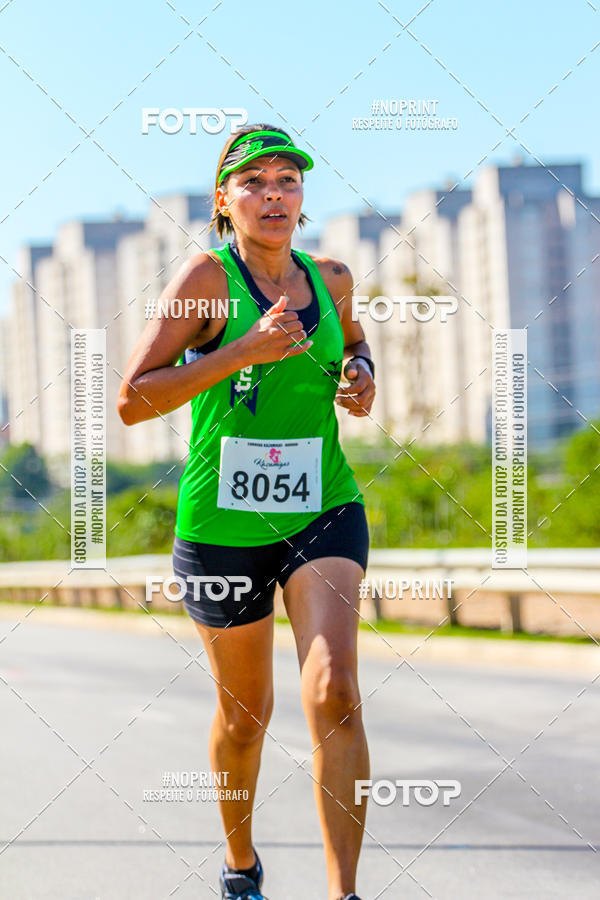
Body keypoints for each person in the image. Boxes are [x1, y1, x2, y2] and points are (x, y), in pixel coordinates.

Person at [117, 123, 376, 900]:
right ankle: (240, 865)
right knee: (245, 718)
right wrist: (239, 351)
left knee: (333, 689)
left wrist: (360, 372)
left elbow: (356, 341)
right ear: (225, 201)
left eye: (287, 182)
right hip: (222, 528)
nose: (273, 195)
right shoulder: (206, 278)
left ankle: (345, 893)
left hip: (321, 507)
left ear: (302, 198)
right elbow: (133, 398)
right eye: (254, 182)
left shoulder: (330, 277)